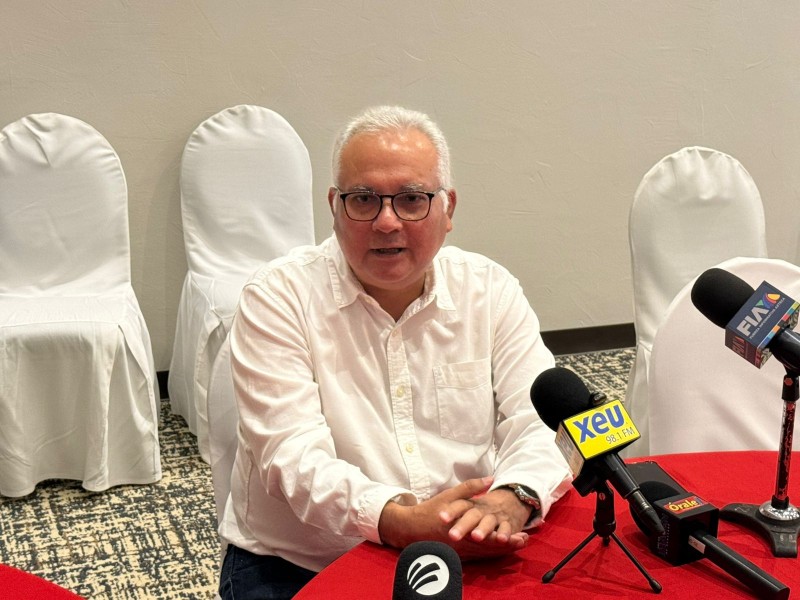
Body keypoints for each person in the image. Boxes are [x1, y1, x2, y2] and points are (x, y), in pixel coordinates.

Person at [218, 105, 571, 599]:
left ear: (448, 209)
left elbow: (541, 420)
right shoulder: (278, 297)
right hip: (305, 562)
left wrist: (515, 496)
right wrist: (397, 521)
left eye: (411, 199)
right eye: (363, 199)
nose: (387, 222)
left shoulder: (490, 290)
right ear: (334, 207)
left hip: (470, 543)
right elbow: (291, 456)